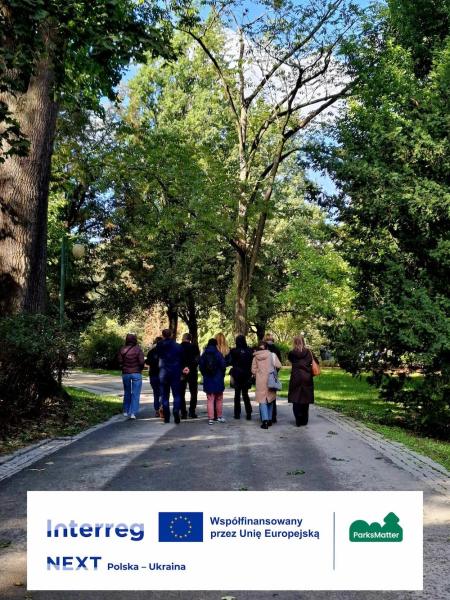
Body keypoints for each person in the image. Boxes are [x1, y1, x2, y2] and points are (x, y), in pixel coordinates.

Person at [252, 340, 282, 429]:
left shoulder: (255, 357)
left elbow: (253, 370)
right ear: (267, 347)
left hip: (260, 381)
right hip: (270, 379)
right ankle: (269, 420)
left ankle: (264, 421)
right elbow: (279, 365)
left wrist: (258, 373)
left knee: (262, 401)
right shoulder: (272, 355)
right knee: (270, 399)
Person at [287, 335, 316, 426]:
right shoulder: (309, 352)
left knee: (295, 399)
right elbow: (316, 362)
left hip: (296, 377)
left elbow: (291, 360)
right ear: (303, 341)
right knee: (305, 399)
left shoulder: (292, 353)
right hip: (307, 377)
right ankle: (304, 419)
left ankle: (298, 419)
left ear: (294, 342)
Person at [157, 329, 183, 424]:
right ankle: (176, 410)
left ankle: (167, 417)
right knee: (176, 394)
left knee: (164, 395)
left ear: (163, 335)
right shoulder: (178, 346)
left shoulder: (159, 345)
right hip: (175, 372)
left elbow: (157, 356)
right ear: (171, 335)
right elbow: (182, 358)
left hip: (163, 372)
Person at [199, 338, 226, 425]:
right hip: (218, 379)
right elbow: (223, 366)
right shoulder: (219, 354)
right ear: (216, 344)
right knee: (219, 399)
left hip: (208, 379)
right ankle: (219, 417)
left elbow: (201, 366)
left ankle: (210, 418)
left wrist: (204, 374)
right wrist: (222, 375)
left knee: (210, 399)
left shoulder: (204, 354)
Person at [118, 333, 145, 420]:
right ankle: (133, 413)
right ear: (135, 340)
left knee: (127, 392)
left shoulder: (122, 349)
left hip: (126, 373)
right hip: (136, 373)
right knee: (135, 393)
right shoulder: (138, 349)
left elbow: (119, 361)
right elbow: (141, 362)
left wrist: (123, 367)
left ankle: (125, 411)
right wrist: (140, 369)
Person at [230, 335, 254, 420]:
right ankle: (248, 413)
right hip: (246, 375)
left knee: (237, 395)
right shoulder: (250, 351)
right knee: (245, 394)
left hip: (237, 375)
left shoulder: (234, 351)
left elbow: (230, 361)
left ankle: (237, 413)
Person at [180, 333, 200, 419]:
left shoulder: (179, 347)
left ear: (183, 338)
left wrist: (183, 368)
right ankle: (192, 411)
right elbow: (197, 359)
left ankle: (183, 412)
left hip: (181, 372)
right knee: (194, 392)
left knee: (181, 393)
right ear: (190, 339)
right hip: (192, 372)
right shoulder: (194, 347)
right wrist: (189, 367)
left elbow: (177, 360)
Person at [263, 333, 282, 423]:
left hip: (264, 374)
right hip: (273, 374)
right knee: (272, 396)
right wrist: (275, 372)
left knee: (264, 397)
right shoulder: (276, 349)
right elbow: (279, 363)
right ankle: (273, 416)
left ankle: (265, 416)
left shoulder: (264, 349)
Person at [145, 336, 162, 417]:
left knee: (156, 393)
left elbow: (147, 362)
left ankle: (157, 410)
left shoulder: (151, 352)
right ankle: (162, 407)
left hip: (153, 375)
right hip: (163, 375)